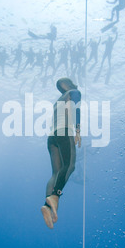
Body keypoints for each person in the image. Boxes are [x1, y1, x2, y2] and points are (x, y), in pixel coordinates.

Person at [42, 78, 82, 229]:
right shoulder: (74, 92)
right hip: (64, 132)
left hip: (52, 137)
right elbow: (77, 108)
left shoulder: (58, 100)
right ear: (68, 84)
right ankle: (55, 196)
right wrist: (78, 130)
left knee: (56, 173)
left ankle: (47, 204)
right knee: (70, 166)